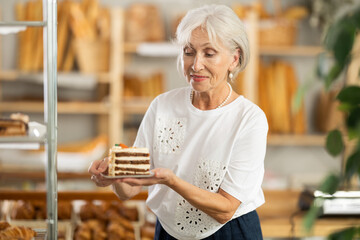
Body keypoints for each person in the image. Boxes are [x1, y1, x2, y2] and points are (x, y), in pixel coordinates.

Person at [89, 4, 268, 240]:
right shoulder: (162, 106)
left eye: (209, 53)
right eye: (189, 51)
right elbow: (131, 188)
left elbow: (226, 209)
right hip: (167, 232)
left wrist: (171, 181)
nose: (196, 65)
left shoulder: (249, 119)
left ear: (234, 59)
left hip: (229, 233)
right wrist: (116, 176)